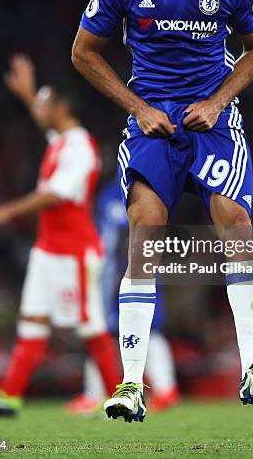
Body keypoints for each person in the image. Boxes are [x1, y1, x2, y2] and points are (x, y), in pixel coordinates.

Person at [72, 0, 253, 422]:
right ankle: (129, 385)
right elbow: (82, 52)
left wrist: (218, 101)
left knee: (235, 224)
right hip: (153, 123)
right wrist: (137, 106)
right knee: (144, 235)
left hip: (211, 122)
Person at [0, 55, 120, 416]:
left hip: (73, 252)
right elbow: (42, 116)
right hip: (48, 250)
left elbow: (55, 195)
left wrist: (5, 211)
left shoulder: (81, 146)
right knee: (32, 320)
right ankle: (9, 397)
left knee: (89, 325)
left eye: (46, 103)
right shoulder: (61, 139)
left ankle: (119, 397)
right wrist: (29, 93)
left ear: (62, 107)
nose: (40, 109)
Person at [65, 178, 180, 416]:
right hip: (135, 268)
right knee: (134, 328)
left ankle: (95, 395)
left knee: (105, 329)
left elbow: (110, 238)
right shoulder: (148, 185)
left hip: (120, 271)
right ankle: (165, 389)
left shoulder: (115, 194)